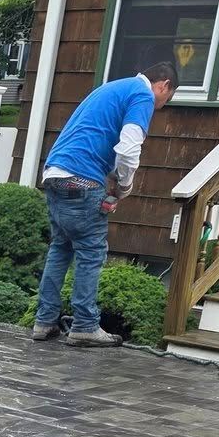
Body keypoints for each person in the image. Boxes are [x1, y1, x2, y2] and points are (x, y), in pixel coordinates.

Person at [32, 59, 177, 345]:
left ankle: (44, 321)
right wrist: (124, 185)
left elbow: (94, 138)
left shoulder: (112, 88)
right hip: (82, 178)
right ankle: (85, 325)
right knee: (91, 251)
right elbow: (128, 148)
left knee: (60, 248)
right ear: (164, 85)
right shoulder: (142, 95)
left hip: (55, 173)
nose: (162, 105)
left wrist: (109, 178)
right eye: (167, 99)